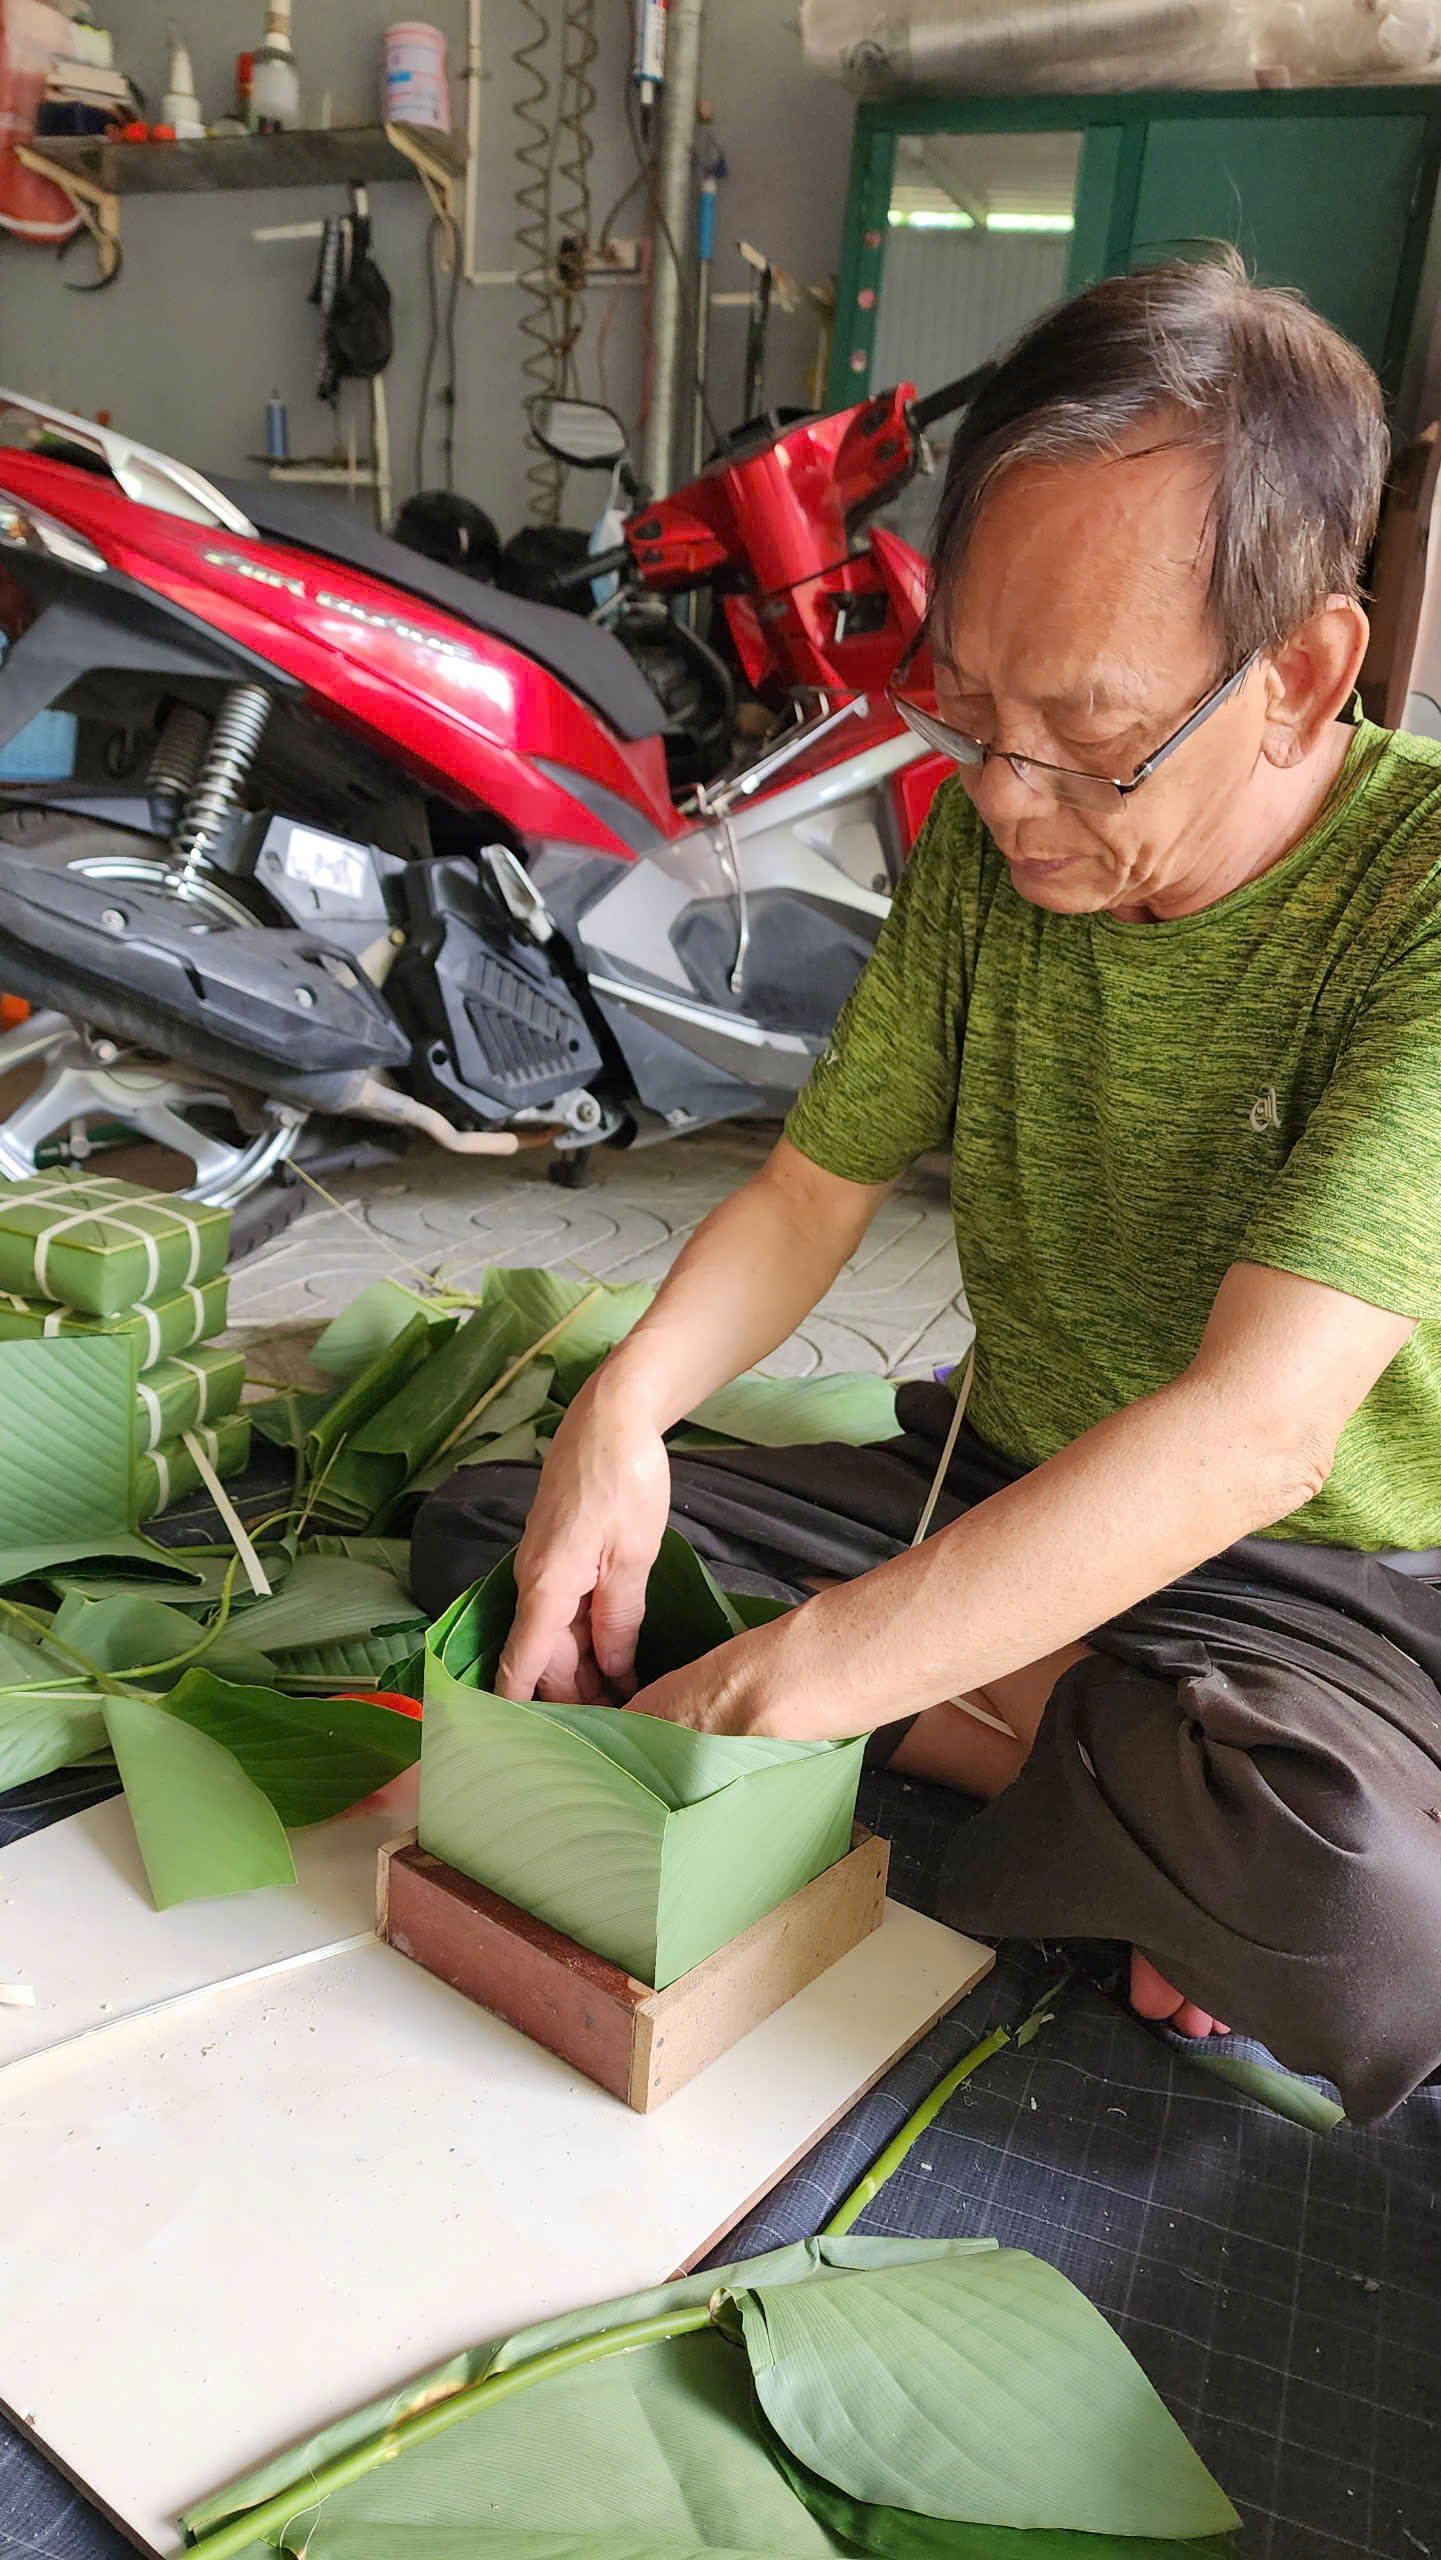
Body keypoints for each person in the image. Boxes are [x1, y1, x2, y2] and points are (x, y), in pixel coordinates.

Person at [413, 250, 1441, 2122]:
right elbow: (812, 1193)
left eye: (1089, 734)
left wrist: (791, 1683)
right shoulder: (1000, 844)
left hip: (1325, 1587)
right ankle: (1102, 1806)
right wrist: (622, 1415)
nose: (1009, 795)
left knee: (1357, 1904)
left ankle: (1044, 1760)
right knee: (517, 1542)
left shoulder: (1421, 907)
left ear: (1300, 672)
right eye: (966, 712)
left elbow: (1250, 1439)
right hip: (1005, 1479)